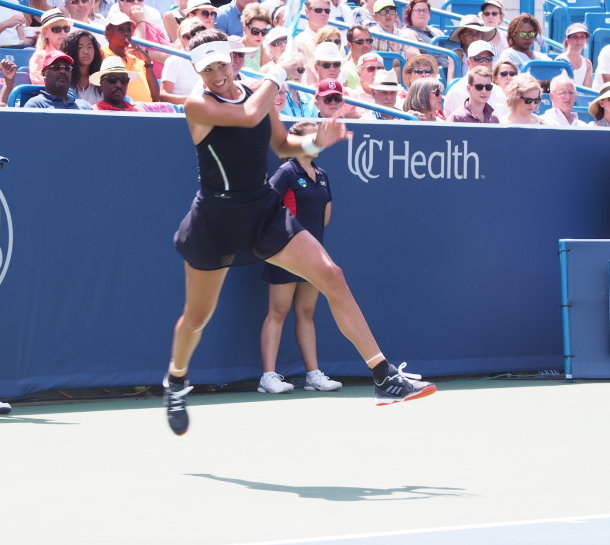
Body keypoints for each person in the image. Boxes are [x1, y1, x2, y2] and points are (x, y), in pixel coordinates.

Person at [165, 29, 436, 435]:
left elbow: (282, 145)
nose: (217, 75)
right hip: (215, 220)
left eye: (221, 64)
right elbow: (246, 116)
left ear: (233, 60)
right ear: (197, 71)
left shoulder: (257, 94)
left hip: (262, 209)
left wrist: (313, 145)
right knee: (197, 318)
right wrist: (275, 74)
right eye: (207, 69)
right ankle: (175, 380)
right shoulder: (197, 103)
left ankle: (383, 377)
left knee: (331, 275)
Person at [259, 120, 342, 395]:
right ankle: (268, 377)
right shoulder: (286, 172)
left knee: (306, 313)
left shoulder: (322, 174)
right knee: (278, 311)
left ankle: (312, 376)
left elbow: (325, 218)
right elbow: (266, 208)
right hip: (286, 253)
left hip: (313, 255)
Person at [103, 12, 160, 102]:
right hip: (122, 113)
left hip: (147, 112)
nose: (126, 33)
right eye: (120, 29)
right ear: (108, 34)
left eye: (129, 29)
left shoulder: (138, 59)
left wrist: (148, 63)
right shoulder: (101, 55)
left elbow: (156, 98)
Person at [443, 40, 508, 118]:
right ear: (468, 63)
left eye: (488, 59)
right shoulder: (457, 91)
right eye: (478, 59)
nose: (484, 63)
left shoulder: (498, 91)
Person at [119, 0, 173, 79]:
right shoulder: (117, 29)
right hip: (137, 83)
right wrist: (140, 22)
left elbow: (172, 57)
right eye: (130, 0)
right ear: (120, 6)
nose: (136, 3)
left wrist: (145, 53)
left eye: (140, 0)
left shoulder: (154, 27)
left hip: (162, 83)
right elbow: (134, 56)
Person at [24, 50, 93, 109]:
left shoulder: (85, 107)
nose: (63, 71)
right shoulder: (35, 106)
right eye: (56, 67)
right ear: (44, 74)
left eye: (67, 68)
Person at [161, 18, 203, 104]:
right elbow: (163, 95)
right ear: (181, 39)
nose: (195, 39)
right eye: (189, 36)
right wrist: (193, 100)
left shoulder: (210, 59)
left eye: (199, 35)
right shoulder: (173, 61)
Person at [30, 9, 74, 85]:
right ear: (45, 32)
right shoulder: (40, 55)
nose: (63, 33)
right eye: (57, 29)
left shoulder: (72, 52)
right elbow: (38, 82)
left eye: (66, 29)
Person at [400, 0, 446, 72]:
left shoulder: (437, 31)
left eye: (425, 10)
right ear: (410, 14)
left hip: (448, 69)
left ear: (429, 14)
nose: (422, 13)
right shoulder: (408, 32)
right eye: (418, 10)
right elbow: (414, 55)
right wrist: (433, 68)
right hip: (430, 72)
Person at [60, 30, 104, 105]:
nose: (86, 51)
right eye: (80, 47)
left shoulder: (101, 80)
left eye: (89, 47)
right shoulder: (63, 79)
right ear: (71, 50)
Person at [447, 14, 495, 78]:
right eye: (470, 33)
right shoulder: (457, 55)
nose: (475, 37)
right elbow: (451, 83)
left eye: (478, 33)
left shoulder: (487, 53)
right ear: (462, 37)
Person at [555, 23, 592, 88]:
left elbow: (588, 92)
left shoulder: (588, 64)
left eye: (582, 36)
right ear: (568, 40)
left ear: (586, 40)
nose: (579, 40)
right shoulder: (560, 60)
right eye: (575, 36)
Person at [372, 0, 408, 67]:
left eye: (391, 11)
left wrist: (396, 49)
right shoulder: (371, 35)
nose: (388, 15)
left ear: (396, 15)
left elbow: (402, 65)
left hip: (395, 74)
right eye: (383, 12)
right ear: (375, 17)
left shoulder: (402, 36)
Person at [240, 3, 271, 71]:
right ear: (245, 29)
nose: (260, 36)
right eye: (255, 31)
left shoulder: (264, 50)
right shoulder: (235, 50)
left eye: (263, 32)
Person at [344, 24, 372, 90]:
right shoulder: (346, 72)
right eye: (360, 41)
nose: (365, 45)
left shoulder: (377, 65)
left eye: (368, 41)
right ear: (349, 45)